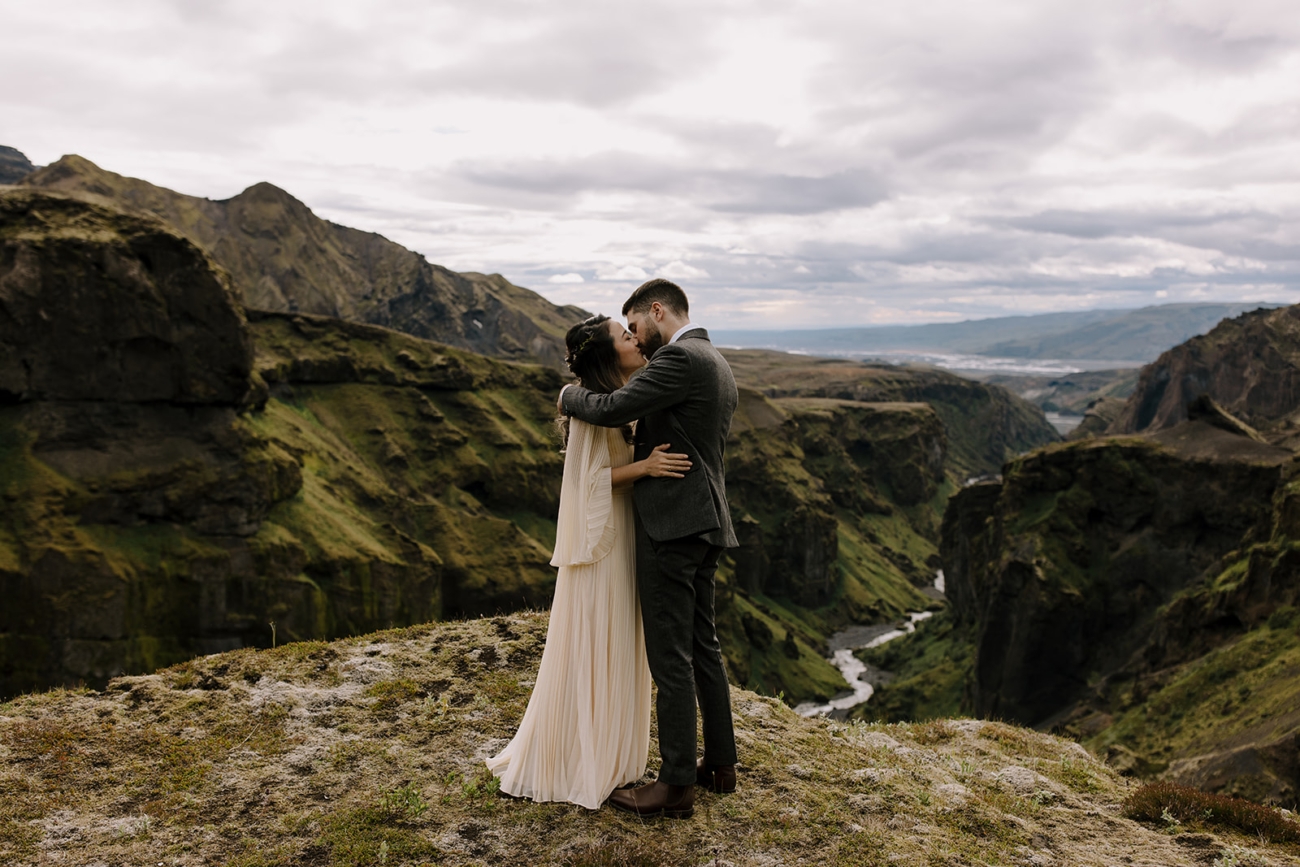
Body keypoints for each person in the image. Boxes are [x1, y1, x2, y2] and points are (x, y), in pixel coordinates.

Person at [485, 314, 692, 810]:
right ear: (607, 355)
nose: (635, 339)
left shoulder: (620, 401)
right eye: (625, 337)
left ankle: (616, 755)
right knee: (599, 637)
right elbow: (583, 485)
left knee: (622, 638)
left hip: (627, 536)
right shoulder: (590, 413)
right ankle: (582, 757)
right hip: (604, 543)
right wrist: (644, 467)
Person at [559, 278, 739, 820]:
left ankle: (677, 785)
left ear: (656, 310)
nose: (636, 337)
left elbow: (613, 407)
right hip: (705, 523)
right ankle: (721, 765)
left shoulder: (680, 359)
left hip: (674, 527)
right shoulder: (714, 357)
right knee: (702, 646)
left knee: (671, 657)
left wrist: (569, 395)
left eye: (635, 325)